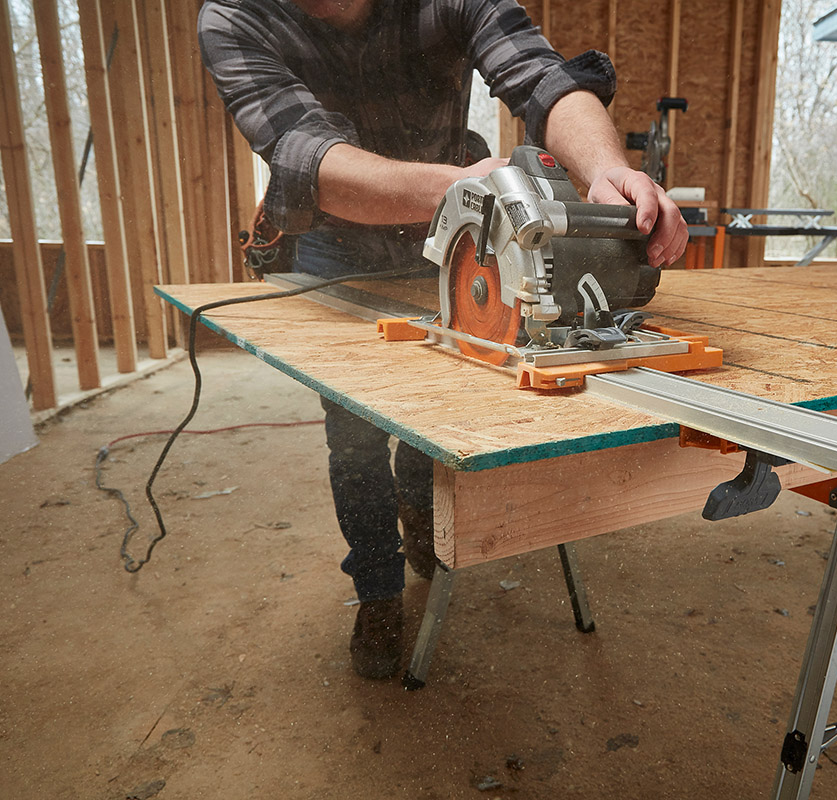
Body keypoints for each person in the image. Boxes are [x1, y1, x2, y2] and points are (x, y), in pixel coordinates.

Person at [197, 0, 687, 680]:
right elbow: (307, 159)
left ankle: (422, 517)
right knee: (356, 434)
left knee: (439, 400)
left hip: (457, 237)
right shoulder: (235, 17)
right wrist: (464, 187)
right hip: (340, 241)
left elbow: (542, 80)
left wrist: (606, 170)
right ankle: (377, 588)